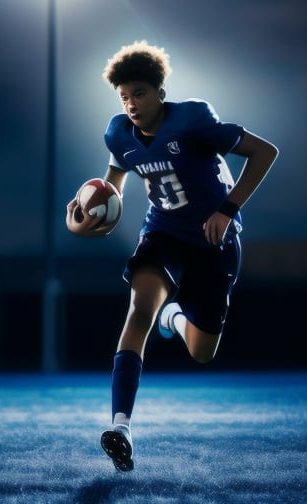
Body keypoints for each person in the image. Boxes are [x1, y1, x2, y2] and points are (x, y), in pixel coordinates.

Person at [66, 41, 278, 472]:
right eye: (124, 96)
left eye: (139, 93)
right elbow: (114, 183)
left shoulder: (193, 120)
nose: (131, 104)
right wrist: (83, 217)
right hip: (163, 232)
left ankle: (174, 318)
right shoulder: (119, 134)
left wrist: (228, 209)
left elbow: (264, 152)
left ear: (160, 91)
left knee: (202, 352)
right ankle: (120, 426)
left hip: (214, 237)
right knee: (137, 312)